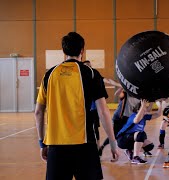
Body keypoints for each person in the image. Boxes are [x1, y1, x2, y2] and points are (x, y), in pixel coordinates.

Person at [34, 32, 119, 180]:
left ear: (63, 51)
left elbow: (38, 113)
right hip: (85, 146)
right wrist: (112, 142)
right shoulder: (91, 74)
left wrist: (42, 143)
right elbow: (103, 112)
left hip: (56, 146)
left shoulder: (49, 75)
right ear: (82, 50)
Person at [98, 79, 153, 157]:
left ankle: (141, 149)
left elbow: (145, 108)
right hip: (120, 118)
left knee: (139, 132)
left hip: (130, 118)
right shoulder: (126, 93)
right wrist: (122, 87)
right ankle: (102, 147)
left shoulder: (140, 97)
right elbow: (117, 94)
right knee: (115, 135)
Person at [116, 100, 162, 164]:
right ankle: (135, 157)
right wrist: (143, 106)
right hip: (122, 139)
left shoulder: (144, 117)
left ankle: (130, 151)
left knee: (149, 146)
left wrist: (159, 103)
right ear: (139, 110)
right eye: (144, 108)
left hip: (132, 138)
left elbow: (158, 114)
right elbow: (136, 120)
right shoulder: (133, 115)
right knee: (141, 134)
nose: (145, 109)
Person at [83, 60, 101, 148]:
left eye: (90, 65)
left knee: (95, 128)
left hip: (94, 109)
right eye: (86, 66)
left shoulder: (95, 77)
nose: (88, 67)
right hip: (83, 110)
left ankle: (98, 147)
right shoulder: (79, 79)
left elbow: (107, 80)